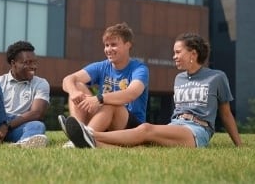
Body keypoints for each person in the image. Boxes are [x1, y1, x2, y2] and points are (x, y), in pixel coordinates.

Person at [63, 33, 243, 148]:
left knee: (146, 129)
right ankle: (87, 143)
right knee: (142, 143)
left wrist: (239, 145)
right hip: (175, 125)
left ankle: (90, 134)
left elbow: (225, 114)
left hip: (197, 130)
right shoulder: (179, 78)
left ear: (193, 54)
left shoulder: (217, 77)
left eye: (178, 52)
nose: (174, 56)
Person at [59, 22, 149, 148]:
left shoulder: (139, 68)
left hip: (130, 125)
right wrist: (74, 92)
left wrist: (99, 98)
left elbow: (131, 93)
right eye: (106, 45)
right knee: (78, 85)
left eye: (113, 45)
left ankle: (84, 136)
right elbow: (68, 79)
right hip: (104, 119)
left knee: (110, 103)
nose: (108, 49)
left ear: (127, 45)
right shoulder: (102, 66)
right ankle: (79, 132)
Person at [0, 41, 50, 148]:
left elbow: (36, 113)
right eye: (27, 62)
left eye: (35, 62)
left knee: (38, 125)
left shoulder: (41, 83)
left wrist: (6, 126)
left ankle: (24, 142)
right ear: (13, 63)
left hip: (18, 125)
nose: (33, 66)